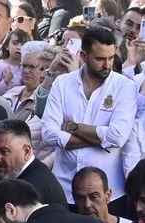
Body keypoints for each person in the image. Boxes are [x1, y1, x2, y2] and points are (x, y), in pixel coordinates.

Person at [43, 25, 136, 198]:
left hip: (108, 193)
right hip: (65, 188)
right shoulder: (62, 83)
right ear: (83, 56)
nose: (107, 65)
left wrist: (73, 127)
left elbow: (117, 137)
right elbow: (49, 134)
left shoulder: (125, 87)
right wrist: (101, 139)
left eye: (111, 58)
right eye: (100, 59)